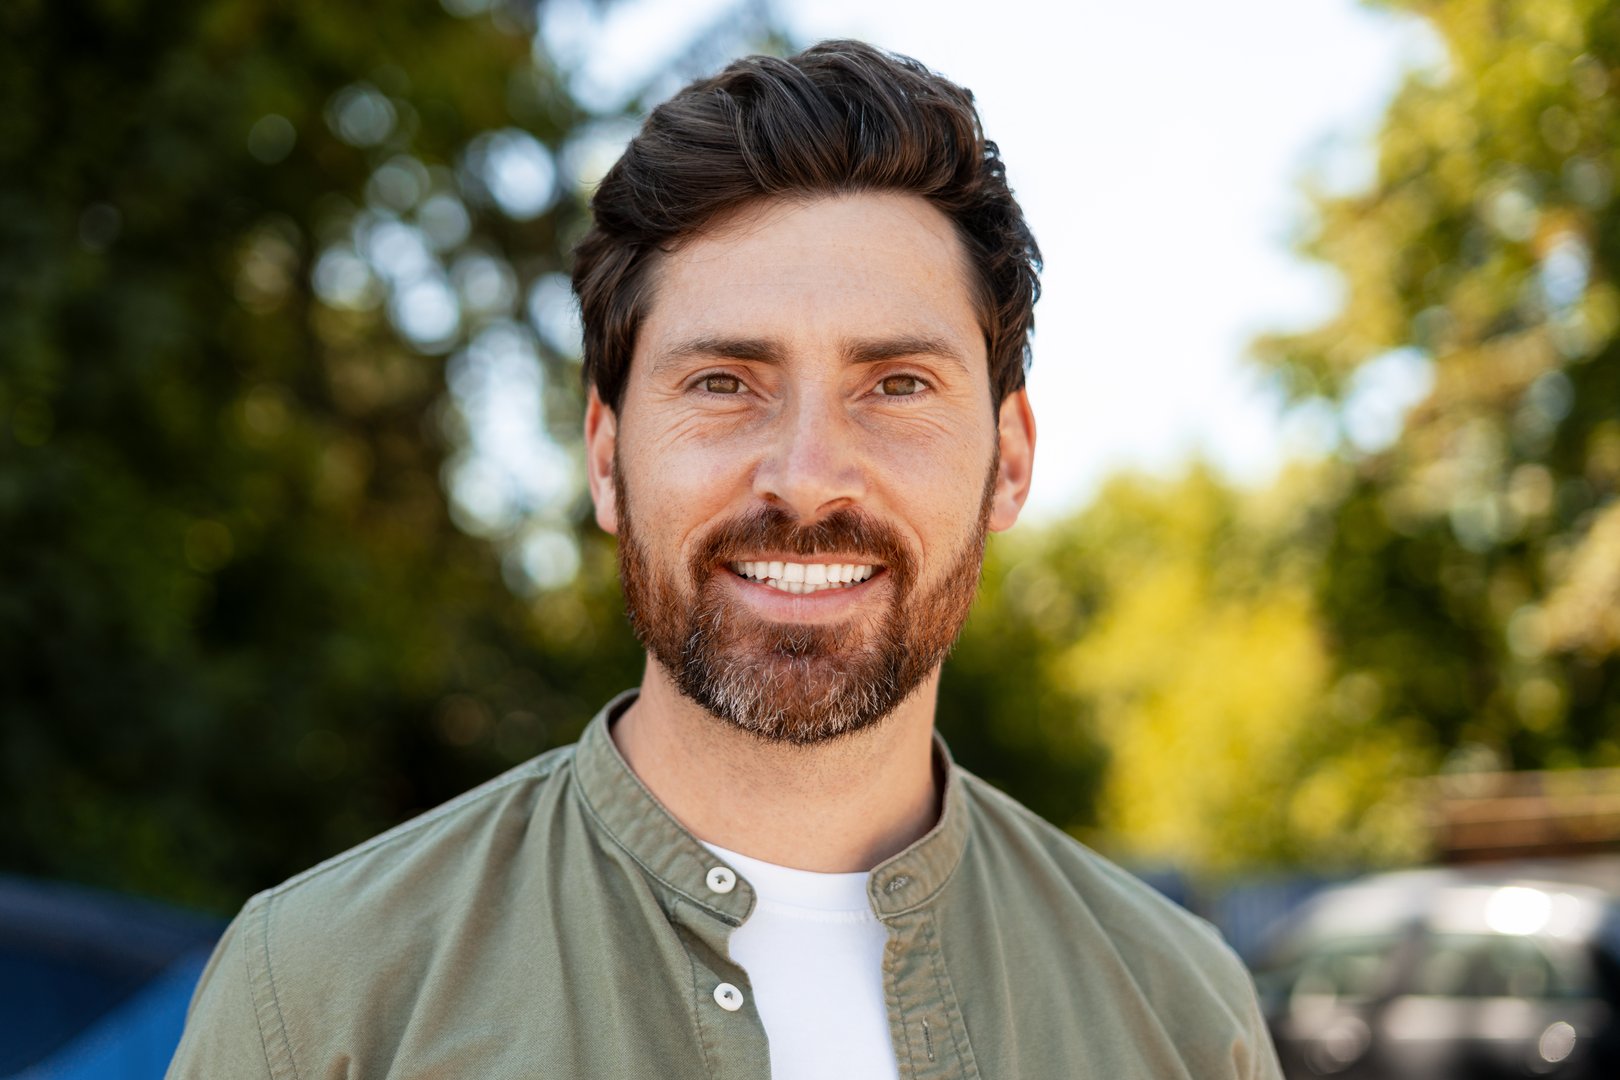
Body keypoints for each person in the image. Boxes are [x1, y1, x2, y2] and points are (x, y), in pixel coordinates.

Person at [169, 40, 1282, 1080]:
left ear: (1008, 463)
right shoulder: (322, 996)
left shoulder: (1182, 1013)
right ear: (606, 460)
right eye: (723, 384)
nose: (806, 476)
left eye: (896, 386)